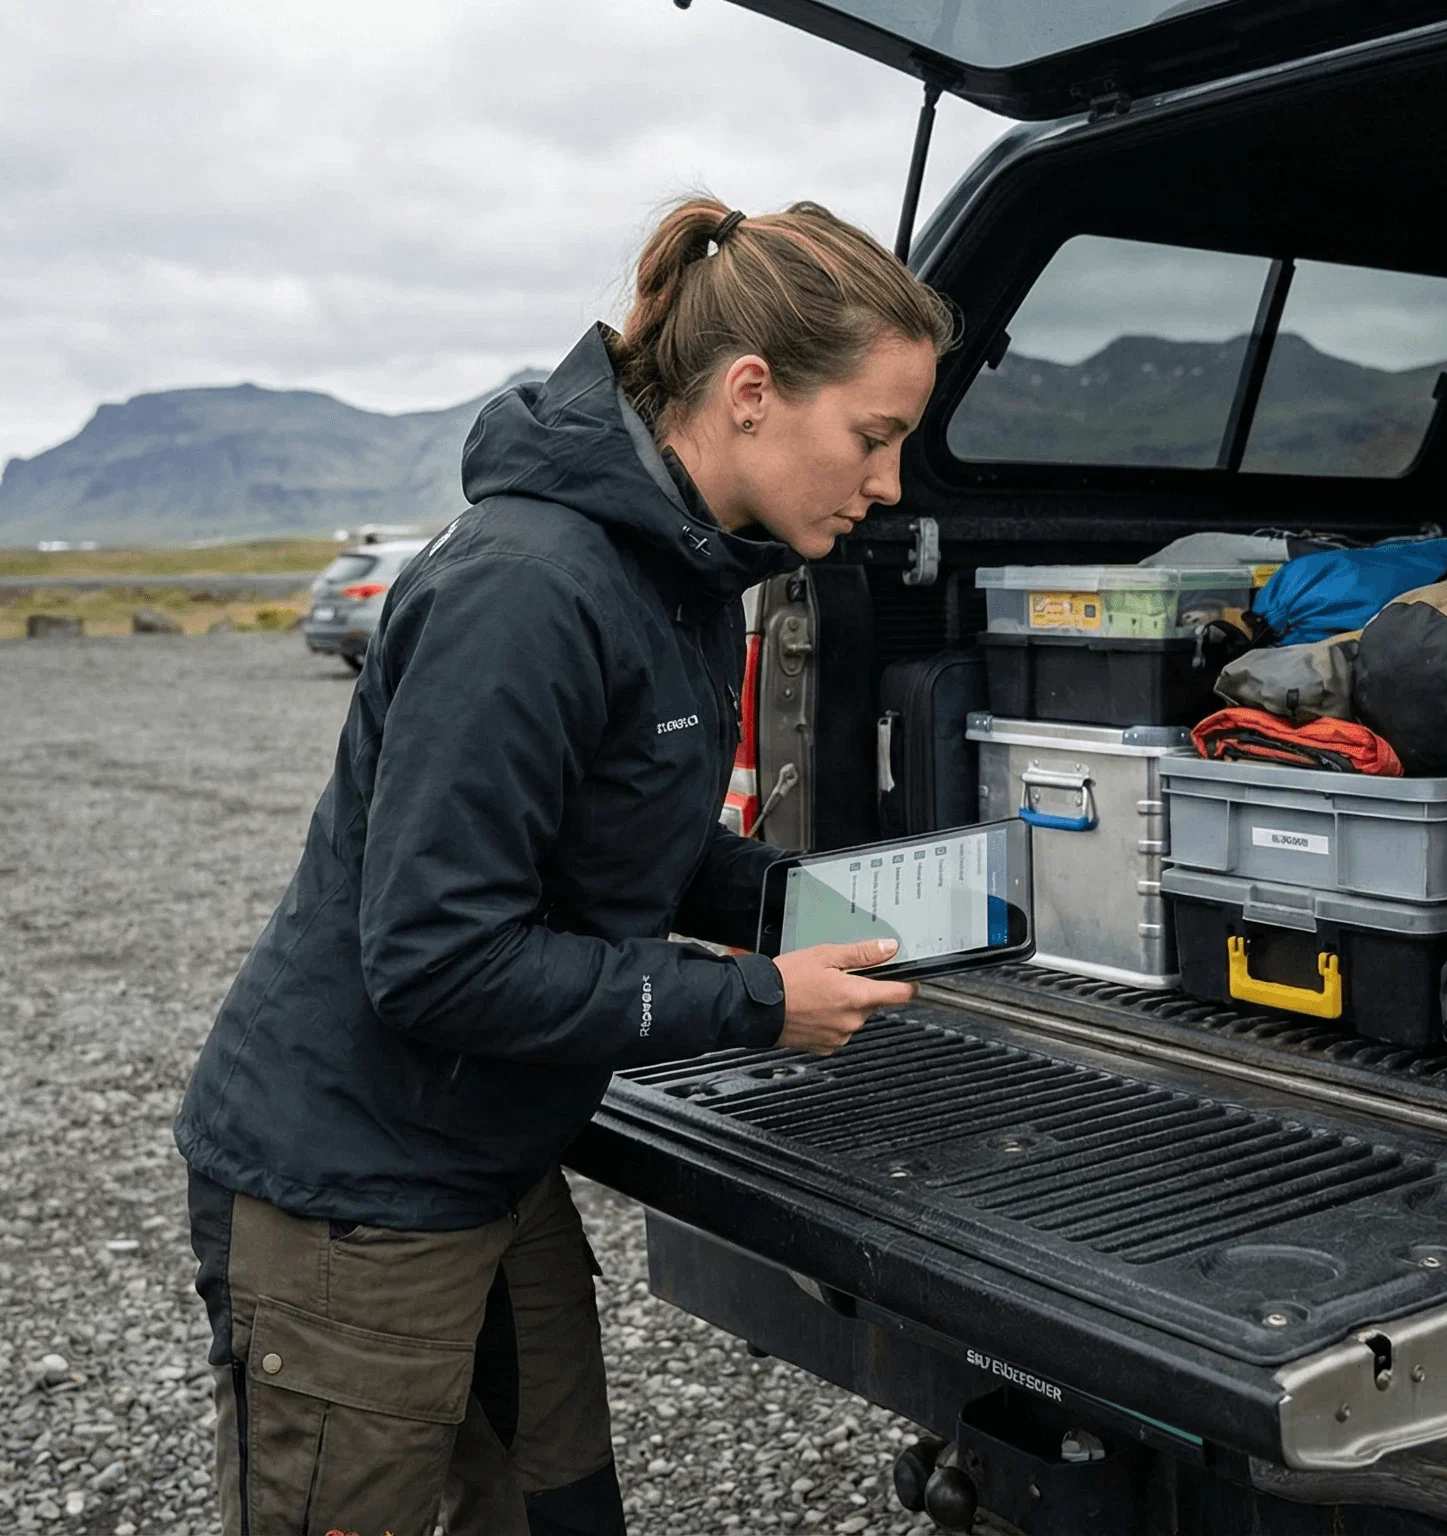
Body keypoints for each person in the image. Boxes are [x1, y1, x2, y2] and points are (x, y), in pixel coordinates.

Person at [173, 196, 959, 1536]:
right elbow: (437, 958)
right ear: (753, 393)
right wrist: (756, 1001)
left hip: (489, 1151)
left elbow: (616, 834)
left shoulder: (690, 571)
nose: (886, 484)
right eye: (872, 436)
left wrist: (789, 903)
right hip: (348, 1188)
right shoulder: (527, 589)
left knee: (555, 1507)